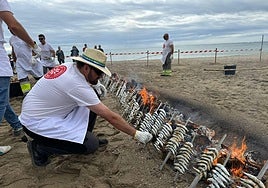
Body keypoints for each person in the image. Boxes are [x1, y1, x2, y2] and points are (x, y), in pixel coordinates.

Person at [19, 48, 152, 167]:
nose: (100, 76)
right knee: (90, 145)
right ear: (87, 68)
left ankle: (83, 135)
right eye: (99, 73)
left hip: (43, 113)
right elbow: (109, 116)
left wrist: (95, 84)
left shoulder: (69, 67)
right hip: (36, 124)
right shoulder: (75, 83)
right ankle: (39, 148)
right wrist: (135, 134)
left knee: (93, 97)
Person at [0, 0, 41, 141]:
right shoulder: (12, 39)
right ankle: (28, 95)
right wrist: (15, 59)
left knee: (3, 99)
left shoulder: (21, 38)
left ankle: (17, 125)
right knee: (3, 98)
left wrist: (35, 54)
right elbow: (13, 25)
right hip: (17, 64)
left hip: (30, 62)